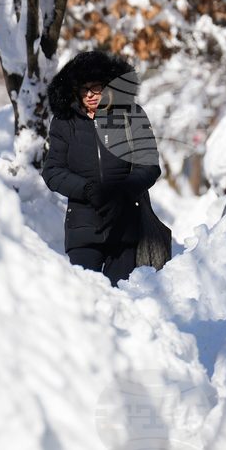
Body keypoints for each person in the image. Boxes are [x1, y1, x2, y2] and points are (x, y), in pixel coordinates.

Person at [42, 51, 161, 286]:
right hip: (83, 229)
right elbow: (53, 171)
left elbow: (149, 164)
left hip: (126, 225)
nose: (90, 94)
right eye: (83, 89)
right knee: (84, 300)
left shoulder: (131, 115)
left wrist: (122, 193)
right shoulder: (64, 122)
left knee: (123, 299)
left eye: (95, 87)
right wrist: (88, 190)